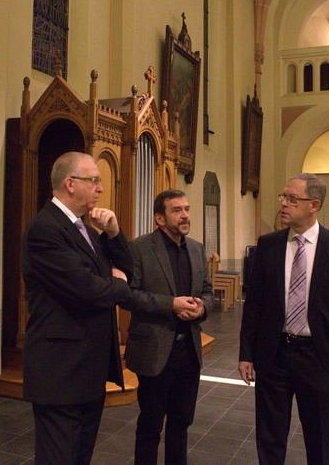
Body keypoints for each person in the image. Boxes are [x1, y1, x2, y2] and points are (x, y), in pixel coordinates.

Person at [238, 173, 329, 464]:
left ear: (314, 205)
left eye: (292, 199)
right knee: (270, 438)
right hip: (273, 355)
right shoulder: (269, 245)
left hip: (318, 357)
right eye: (283, 197)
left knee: (319, 439)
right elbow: (254, 304)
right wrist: (247, 353)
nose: (283, 204)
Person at [21, 151, 134, 465]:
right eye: (94, 180)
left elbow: (128, 271)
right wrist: (119, 284)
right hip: (61, 371)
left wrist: (113, 233)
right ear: (70, 184)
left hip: (86, 368)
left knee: (79, 456)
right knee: (59, 458)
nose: (100, 188)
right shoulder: (46, 228)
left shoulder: (86, 231)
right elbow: (87, 289)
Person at [121, 189, 213, 465]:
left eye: (187, 209)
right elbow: (129, 296)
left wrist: (202, 307)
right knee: (150, 425)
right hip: (155, 350)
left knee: (181, 423)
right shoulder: (139, 248)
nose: (185, 215)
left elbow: (207, 291)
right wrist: (170, 305)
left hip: (189, 352)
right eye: (177, 210)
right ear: (159, 218)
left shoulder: (196, 249)